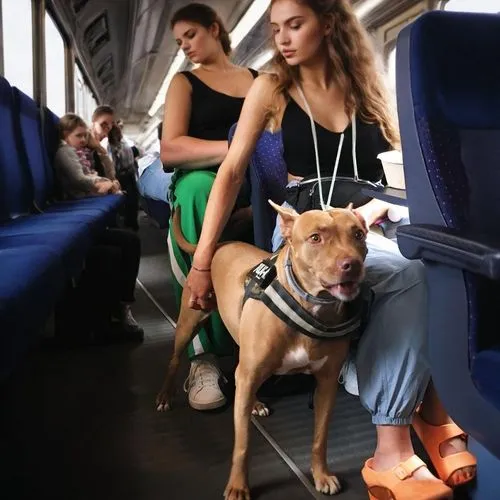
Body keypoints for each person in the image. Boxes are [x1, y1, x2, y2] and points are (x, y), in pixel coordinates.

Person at [183, 0, 476, 498]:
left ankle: (430, 410)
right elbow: (231, 172)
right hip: (307, 231)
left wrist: (385, 207)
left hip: (367, 226)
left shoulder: (367, 86)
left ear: (331, 23)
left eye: (295, 24)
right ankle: (392, 449)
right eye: (276, 28)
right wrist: (202, 261)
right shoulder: (272, 86)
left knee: (438, 262)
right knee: (410, 275)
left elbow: (403, 165)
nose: (282, 38)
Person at [160, 3, 258, 411]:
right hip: (201, 178)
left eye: (190, 35)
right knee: (203, 189)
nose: (185, 46)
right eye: (180, 41)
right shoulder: (185, 83)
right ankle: (203, 356)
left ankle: (266, 341)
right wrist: (235, 149)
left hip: (254, 177)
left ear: (214, 28)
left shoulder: (259, 80)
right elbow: (170, 150)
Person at [54, 113, 144, 343]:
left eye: (86, 135)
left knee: (131, 241)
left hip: (88, 201)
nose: (84, 139)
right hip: (76, 204)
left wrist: (101, 158)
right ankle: (103, 320)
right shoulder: (65, 152)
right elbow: (78, 179)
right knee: (110, 252)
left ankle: (122, 306)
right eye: (79, 135)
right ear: (66, 135)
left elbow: (109, 173)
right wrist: (101, 183)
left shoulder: (85, 152)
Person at [108, 124, 140, 231]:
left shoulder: (122, 144)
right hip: (121, 175)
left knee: (133, 198)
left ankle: (131, 222)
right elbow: (113, 163)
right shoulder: (111, 146)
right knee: (129, 199)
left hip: (128, 173)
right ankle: (129, 222)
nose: (118, 134)